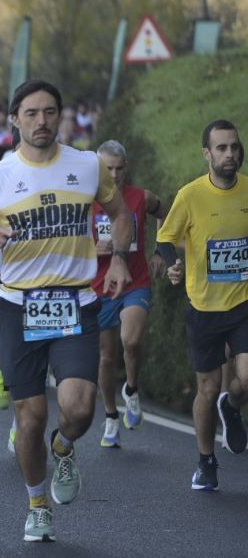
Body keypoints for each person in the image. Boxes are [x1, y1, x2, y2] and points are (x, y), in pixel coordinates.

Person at [0, 80, 132, 543]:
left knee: (79, 408)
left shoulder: (87, 166)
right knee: (28, 416)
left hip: (75, 301)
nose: (41, 121)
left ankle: (64, 447)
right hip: (17, 304)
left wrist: (122, 258)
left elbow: (122, 212)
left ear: (61, 116)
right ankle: (37, 503)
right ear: (14, 120)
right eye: (31, 113)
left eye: (50, 112)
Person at [154, 119, 248, 491]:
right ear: (207, 154)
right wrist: (172, 264)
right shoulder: (190, 195)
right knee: (207, 390)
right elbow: (164, 239)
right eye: (222, 148)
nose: (230, 155)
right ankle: (206, 461)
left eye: (235, 147)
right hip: (204, 308)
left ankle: (234, 406)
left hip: (244, 303)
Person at [92, 140, 167, 448]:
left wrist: (163, 250)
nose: (114, 174)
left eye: (119, 168)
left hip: (135, 282)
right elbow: (65, 243)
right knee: (107, 357)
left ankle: (132, 390)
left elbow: (168, 214)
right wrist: (90, 249)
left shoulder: (140, 197)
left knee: (131, 341)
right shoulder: (84, 202)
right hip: (99, 288)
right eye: (107, 169)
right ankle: (111, 417)